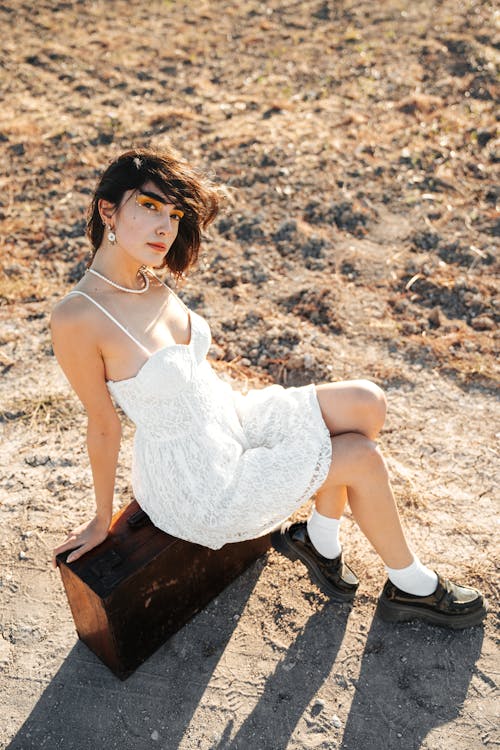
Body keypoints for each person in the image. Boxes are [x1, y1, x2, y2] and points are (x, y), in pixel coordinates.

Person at [51, 147, 486, 630]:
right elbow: (103, 424)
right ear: (107, 209)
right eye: (149, 206)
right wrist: (99, 517)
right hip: (198, 482)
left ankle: (320, 541)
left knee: (367, 402)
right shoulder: (78, 317)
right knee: (360, 457)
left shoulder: (148, 280)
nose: (164, 228)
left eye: (173, 214)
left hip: (232, 421)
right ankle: (413, 586)